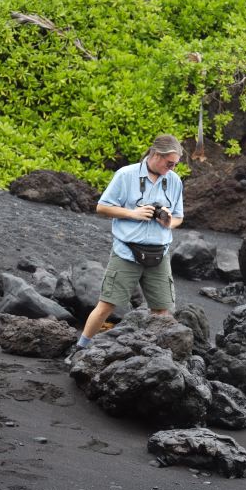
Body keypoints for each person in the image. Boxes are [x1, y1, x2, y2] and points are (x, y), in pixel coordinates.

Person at [68, 134, 185, 360]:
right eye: (169, 163)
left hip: (159, 254)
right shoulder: (126, 175)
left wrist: (169, 221)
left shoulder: (174, 181)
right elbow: (102, 207)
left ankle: (158, 357)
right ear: (155, 155)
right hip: (127, 251)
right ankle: (80, 347)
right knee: (106, 305)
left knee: (162, 311)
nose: (171, 169)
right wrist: (133, 213)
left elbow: (179, 217)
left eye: (175, 165)